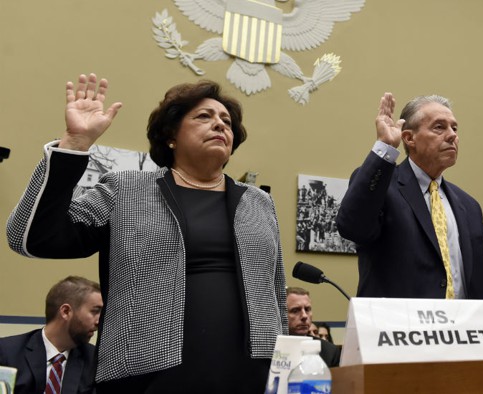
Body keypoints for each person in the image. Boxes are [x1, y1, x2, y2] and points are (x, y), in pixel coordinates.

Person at [6, 73, 288, 393]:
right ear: (171, 135)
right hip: (147, 376)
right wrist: (74, 145)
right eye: (204, 116)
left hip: (249, 374)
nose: (221, 124)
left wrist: (283, 367)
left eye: (226, 121)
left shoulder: (259, 202)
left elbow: (276, 292)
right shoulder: (126, 190)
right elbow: (30, 237)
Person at [336, 93, 483, 302]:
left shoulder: (469, 206)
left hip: (461, 330)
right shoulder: (383, 185)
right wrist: (385, 146)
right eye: (439, 127)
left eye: (454, 128)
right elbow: (352, 227)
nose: (452, 135)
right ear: (409, 138)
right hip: (399, 329)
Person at [0, 276, 102, 394]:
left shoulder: (94, 360)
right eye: (95, 311)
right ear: (65, 312)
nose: (99, 321)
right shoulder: (7, 352)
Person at [286, 287, 340, 367]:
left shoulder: (329, 351)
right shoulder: (268, 348)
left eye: (307, 309)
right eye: (295, 310)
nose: (304, 316)